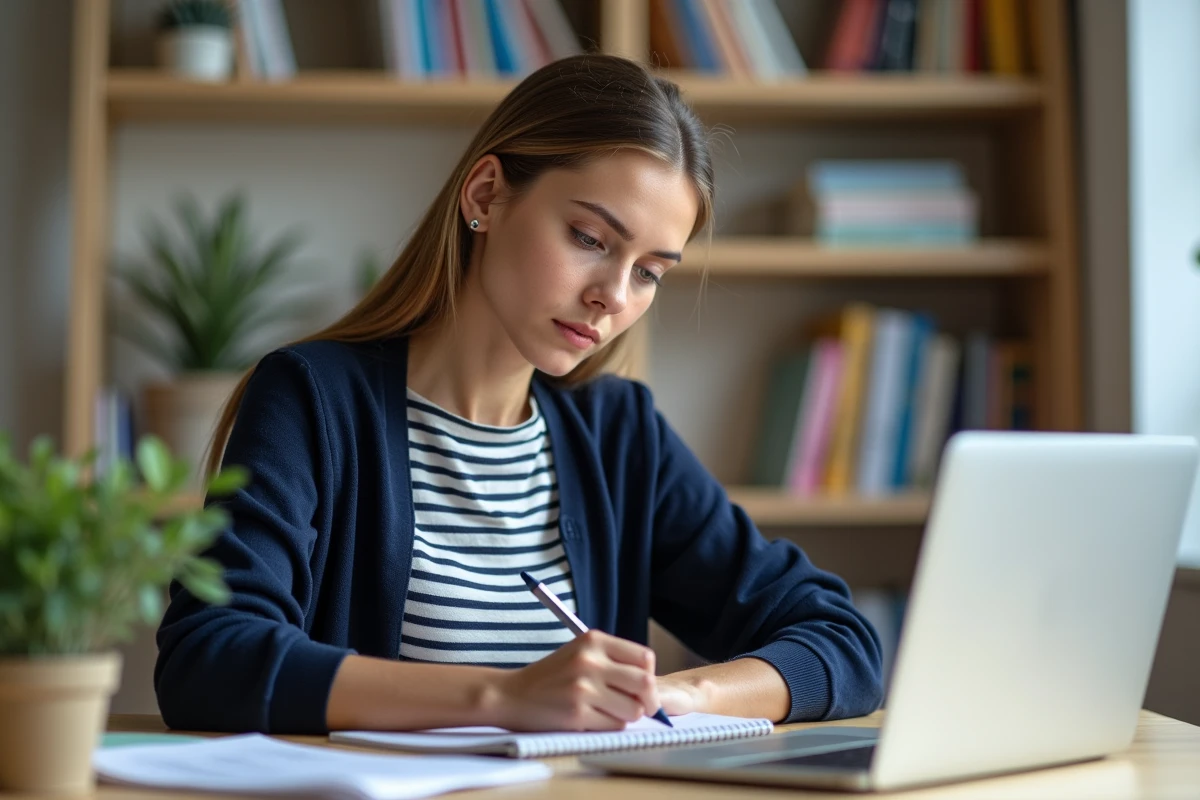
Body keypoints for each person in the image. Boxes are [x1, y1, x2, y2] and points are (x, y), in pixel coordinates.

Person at [155, 54, 883, 735]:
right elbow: (209, 657)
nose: (612, 297)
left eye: (649, 272)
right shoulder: (315, 399)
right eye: (590, 238)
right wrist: (501, 697)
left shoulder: (617, 435)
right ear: (486, 195)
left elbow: (842, 641)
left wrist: (681, 696)